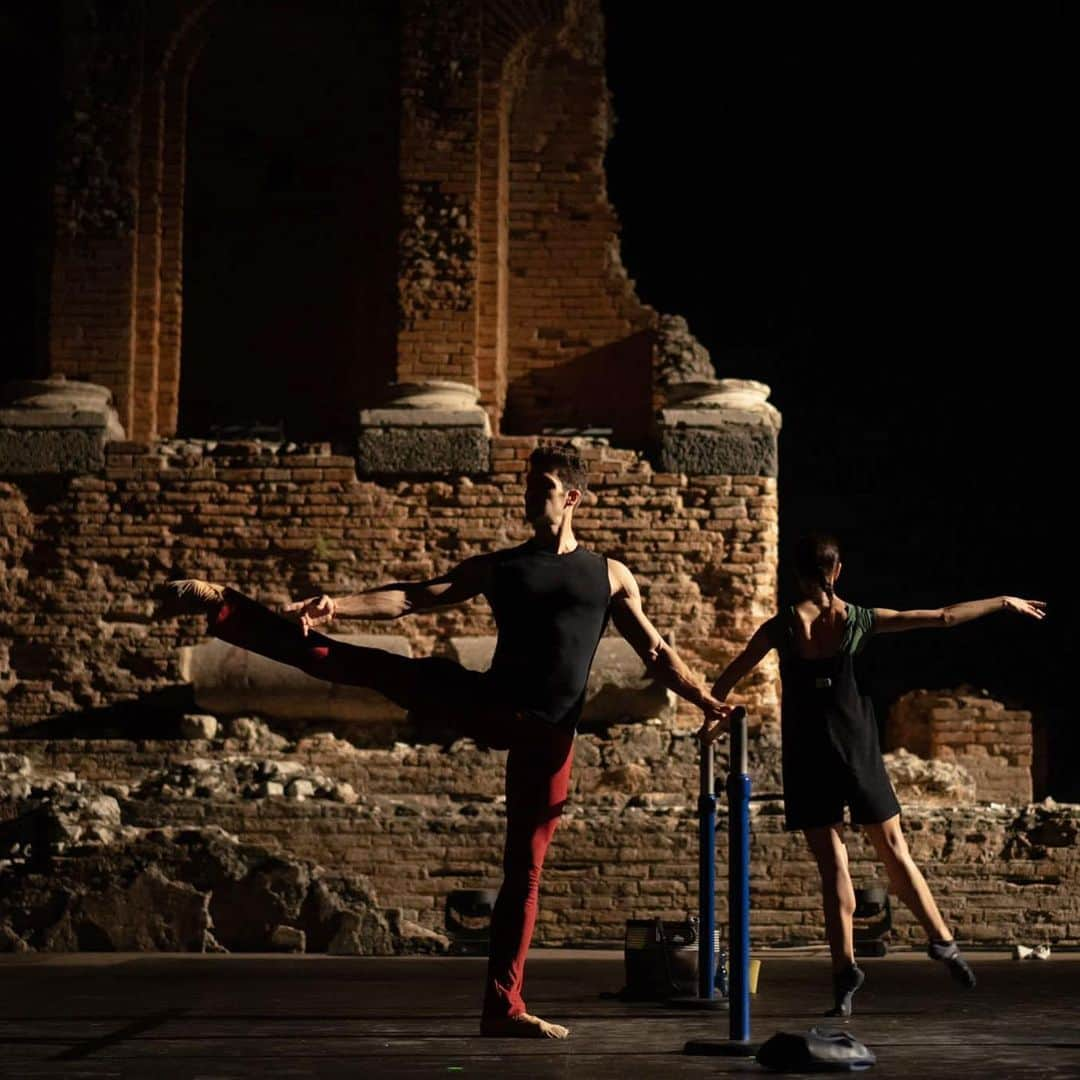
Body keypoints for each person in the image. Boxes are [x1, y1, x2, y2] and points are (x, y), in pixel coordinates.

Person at [157, 442, 734, 1038]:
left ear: (572, 498)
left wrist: (708, 701)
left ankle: (503, 1009)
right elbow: (411, 597)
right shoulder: (501, 567)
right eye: (528, 486)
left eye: (542, 487)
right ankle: (230, 610)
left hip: (551, 736)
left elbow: (657, 651)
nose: (530, 495)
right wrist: (339, 605)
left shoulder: (609, 573)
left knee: (526, 872)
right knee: (370, 666)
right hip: (489, 705)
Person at [702, 532, 1045, 1016]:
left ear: (797, 575)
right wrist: (1002, 602)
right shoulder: (858, 620)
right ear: (837, 571)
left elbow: (728, 678)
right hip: (855, 747)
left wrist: (713, 720)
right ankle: (941, 939)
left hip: (809, 753)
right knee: (894, 851)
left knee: (833, 869)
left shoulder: (781, 627)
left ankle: (845, 971)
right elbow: (942, 617)